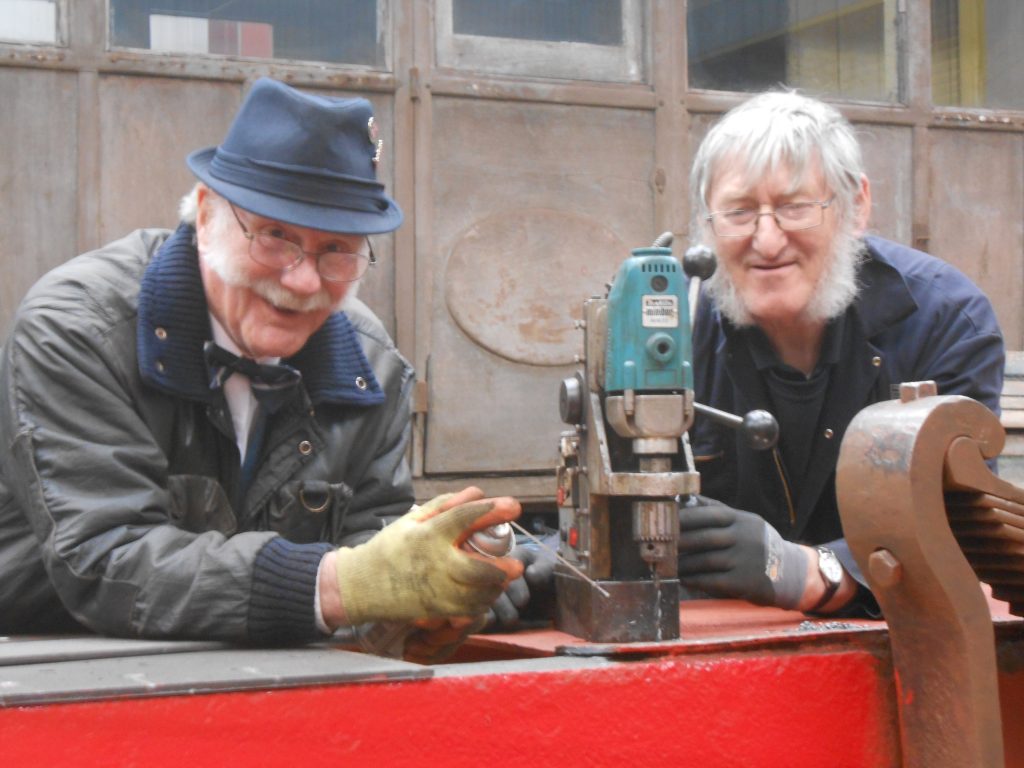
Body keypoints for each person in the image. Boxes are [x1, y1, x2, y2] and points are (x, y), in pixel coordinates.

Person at [0, 77, 522, 661]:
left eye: (337, 250)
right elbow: (104, 559)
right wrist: (343, 586)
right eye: (275, 237)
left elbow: (372, 540)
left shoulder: (373, 365)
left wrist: (432, 597)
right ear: (205, 218)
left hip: (268, 666)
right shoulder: (79, 330)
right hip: (51, 664)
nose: (302, 281)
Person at [680, 89, 1005, 615]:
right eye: (739, 212)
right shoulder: (669, 324)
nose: (766, 240)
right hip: (712, 629)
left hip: (897, 636)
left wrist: (815, 571)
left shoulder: (947, 321)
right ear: (708, 225)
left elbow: (957, 517)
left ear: (856, 207)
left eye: (794, 208)